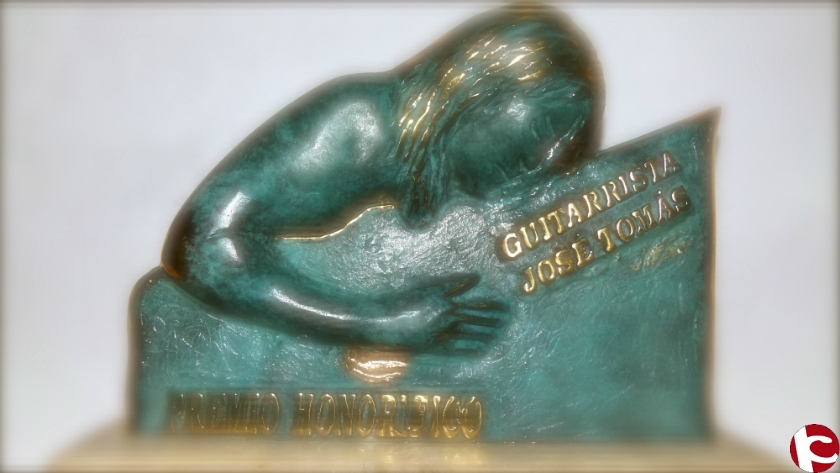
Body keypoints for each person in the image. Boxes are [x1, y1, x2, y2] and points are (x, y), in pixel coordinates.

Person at [159, 4, 603, 354]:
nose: (547, 160)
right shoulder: (360, 128)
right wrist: (375, 323)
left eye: (563, 149)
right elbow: (202, 242)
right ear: (479, 91)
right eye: (542, 130)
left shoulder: (437, 171)